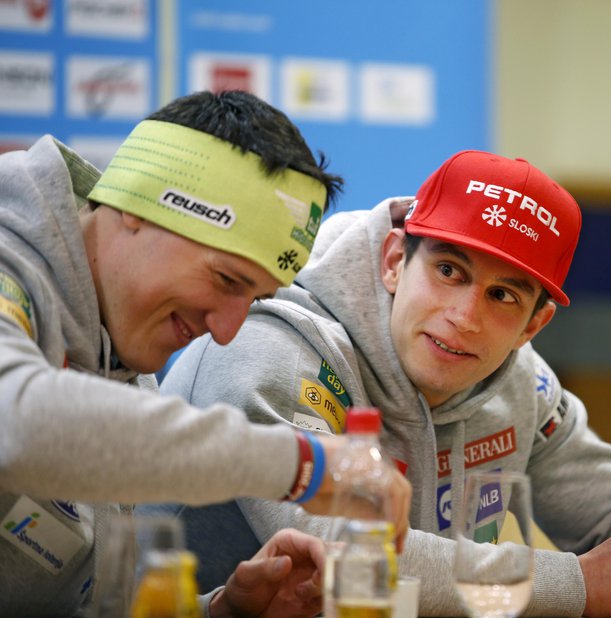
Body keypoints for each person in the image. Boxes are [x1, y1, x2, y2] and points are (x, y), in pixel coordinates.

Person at [157, 150, 611, 617]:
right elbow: (344, 556)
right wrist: (585, 583)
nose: (464, 316)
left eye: (502, 296)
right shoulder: (269, 351)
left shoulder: (521, 380)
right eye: (448, 271)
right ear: (394, 261)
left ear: (533, 324)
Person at [0, 90, 410, 616]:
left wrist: (223, 611)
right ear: (138, 207)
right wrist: (301, 464)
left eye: (255, 297)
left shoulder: (125, 363)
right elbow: (18, 420)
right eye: (225, 279)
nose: (226, 330)